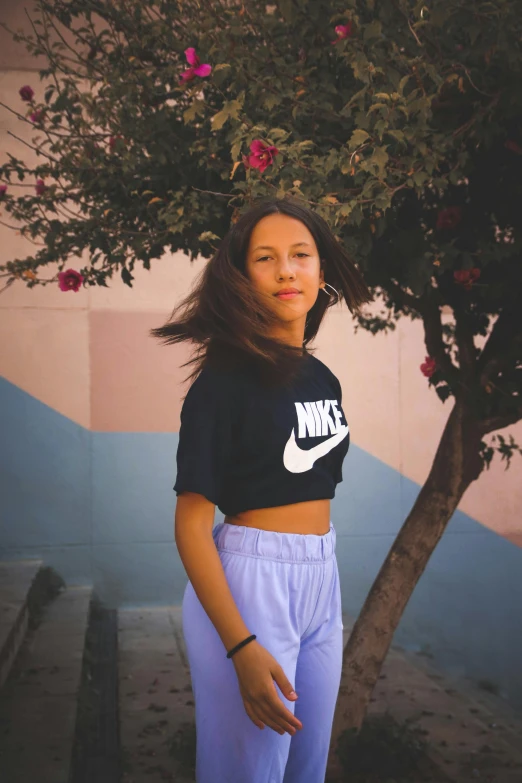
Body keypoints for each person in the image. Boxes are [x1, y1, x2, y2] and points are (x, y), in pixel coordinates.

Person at [150, 196, 372, 783]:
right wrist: (241, 645)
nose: (286, 270)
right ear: (242, 277)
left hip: (322, 575)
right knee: (246, 774)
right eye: (265, 258)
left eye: (301, 255)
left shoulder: (323, 377)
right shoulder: (222, 381)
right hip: (251, 582)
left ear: (321, 272)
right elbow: (191, 524)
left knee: (305, 771)